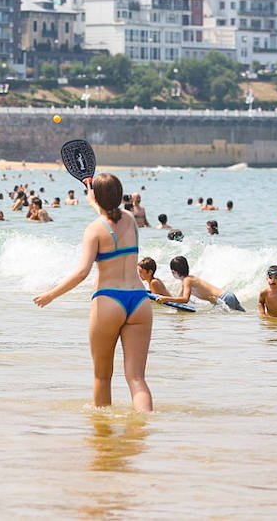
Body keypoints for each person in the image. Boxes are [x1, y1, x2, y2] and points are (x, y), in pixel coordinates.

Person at [33, 173, 153, 412]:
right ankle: (145, 426)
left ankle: (103, 431)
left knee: (102, 376)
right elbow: (113, 217)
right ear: (120, 195)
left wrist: (51, 295)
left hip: (109, 300)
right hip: (139, 301)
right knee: (136, 378)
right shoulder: (131, 219)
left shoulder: (94, 230)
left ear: (96, 198)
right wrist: (95, 204)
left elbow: (81, 273)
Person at [159, 255, 245, 311]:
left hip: (224, 299)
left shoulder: (187, 281)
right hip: (228, 295)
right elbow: (179, 300)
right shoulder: (188, 280)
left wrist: (165, 298)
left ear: (173, 271)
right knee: (243, 315)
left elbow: (185, 299)